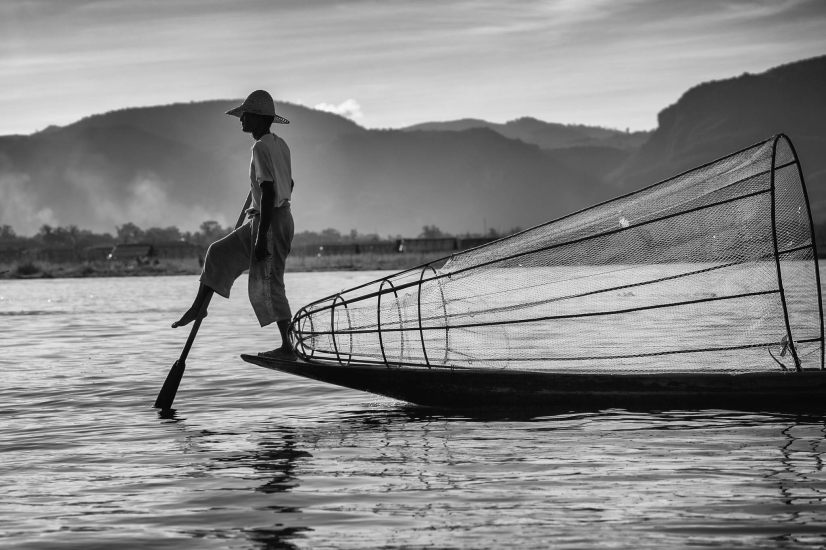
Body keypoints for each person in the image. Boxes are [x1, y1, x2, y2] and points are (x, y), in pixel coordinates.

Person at [172, 89, 296, 360]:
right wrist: (260, 195)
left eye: (245, 116)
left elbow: (270, 191)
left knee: (271, 283)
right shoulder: (280, 144)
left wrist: (262, 238)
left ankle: (288, 348)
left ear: (259, 118)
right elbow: (289, 184)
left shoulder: (261, 146)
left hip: (270, 222)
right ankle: (199, 306)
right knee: (218, 252)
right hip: (273, 218)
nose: (241, 120)